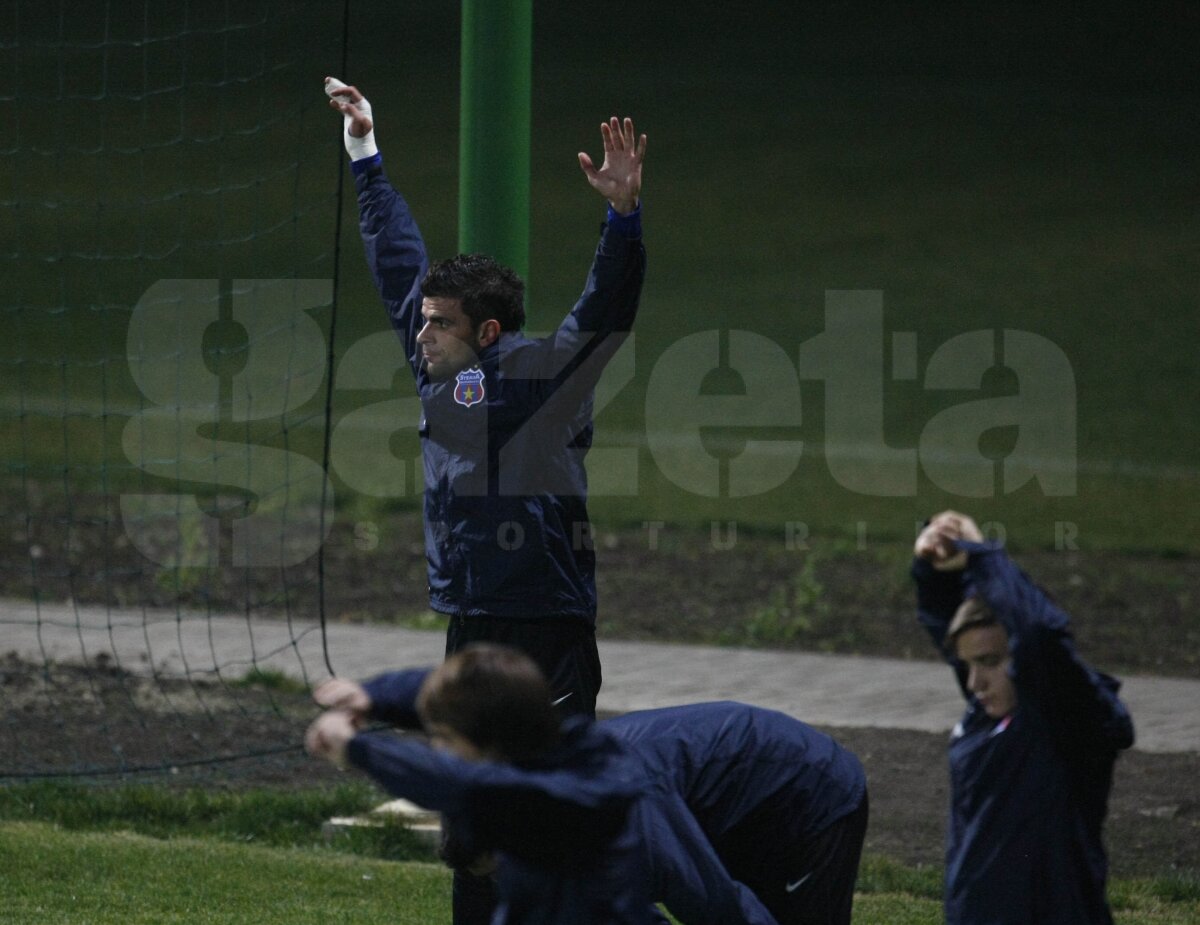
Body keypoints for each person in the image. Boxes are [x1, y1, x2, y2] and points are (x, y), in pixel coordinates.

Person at [325, 76, 647, 722]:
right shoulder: (440, 368)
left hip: (544, 622)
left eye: (439, 323)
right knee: (471, 766)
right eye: (425, 321)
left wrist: (622, 217)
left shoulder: (543, 378)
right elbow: (397, 262)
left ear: (488, 331)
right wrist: (365, 153)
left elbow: (603, 309)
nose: (422, 334)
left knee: (552, 774)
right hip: (469, 613)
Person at [308, 644, 868, 925]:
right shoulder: (531, 744)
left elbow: (720, 906)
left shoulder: (588, 792)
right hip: (724, 799)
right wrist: (376, 698)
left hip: (804, 796)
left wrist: (357, 747)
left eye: (446, 741)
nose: (440, 752)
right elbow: (469, 703)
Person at [912, 510, 1135, 925]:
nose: (974, 683)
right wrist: (934, 569)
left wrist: (983, 554)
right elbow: (954, 623)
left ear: (1023, 657)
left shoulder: (1064, 722)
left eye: (989, 662)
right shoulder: (990, 715)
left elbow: (1038, 634)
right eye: (968, 664)